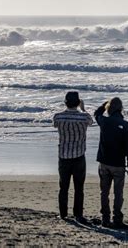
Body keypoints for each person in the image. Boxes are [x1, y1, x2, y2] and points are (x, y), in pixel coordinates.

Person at [53, 91, 93, 223]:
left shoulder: (58, 117)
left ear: (65, 102)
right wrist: (83, 108)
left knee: (63, 187)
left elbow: (55, 125)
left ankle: (63, 214)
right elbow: (91, 122)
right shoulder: (84, 117)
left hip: (63, 155)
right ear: (78, 102)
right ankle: (78, 214)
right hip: (79, 156)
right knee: (79, 188)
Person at [94, 97, 128, 230]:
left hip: (104, 162)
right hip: (118, 164)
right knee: (118, 194)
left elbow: (96, 114)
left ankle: (105, 218)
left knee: (104, 192)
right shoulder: (126, 125)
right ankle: (117, 219)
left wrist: (103, 104)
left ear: (109, 109)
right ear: (121, 109)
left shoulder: (104, 121)